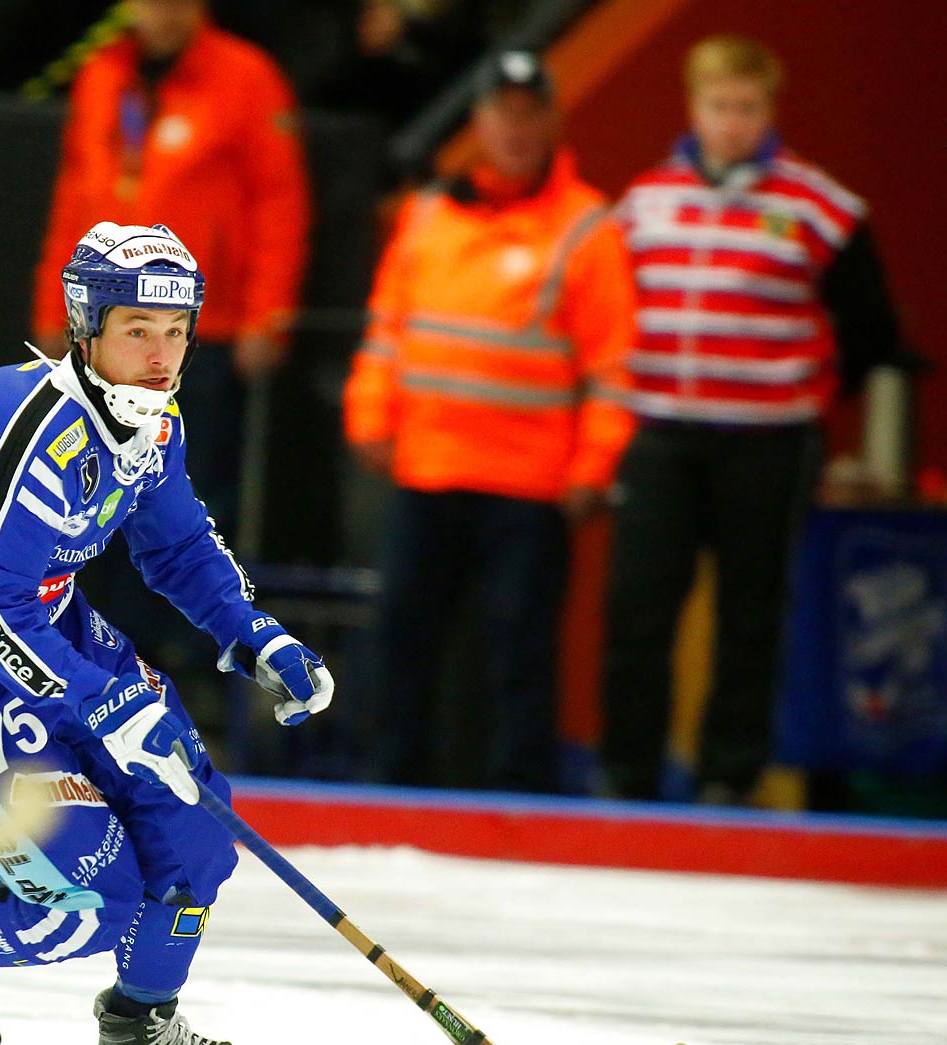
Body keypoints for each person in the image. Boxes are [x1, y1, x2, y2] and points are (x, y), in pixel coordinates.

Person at [0, 223, 334, 1045]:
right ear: (87, 325)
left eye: (177, 331)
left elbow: (178, 545)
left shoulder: (150, 420)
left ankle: (140, 1030)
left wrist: (257, 635)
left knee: (195, 839)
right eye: (138, 328)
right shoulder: (30, 434)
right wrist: (103, 703)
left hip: (59, 644)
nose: (160, 354)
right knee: (83, 905)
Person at [600, 36, 905, 804]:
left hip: (768, 442)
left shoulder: (818, 207)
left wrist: (806, 399)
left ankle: (727, 776)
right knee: (638, 606)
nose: (732, 122)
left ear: (770, 109)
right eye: (718, 106)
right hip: (660, 434)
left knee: (752, 612)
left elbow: (871, 330)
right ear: (693, 108)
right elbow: (606, 315)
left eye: (747, 107)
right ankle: (627, 773)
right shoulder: (645, 203)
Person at [343, 52, 636, 792]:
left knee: (520, 650)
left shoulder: (587, 230)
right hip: (427, 469)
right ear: (476, 122)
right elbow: (388, 331)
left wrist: (593, 467)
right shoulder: (431, 212)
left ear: (551, 122)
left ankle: (521, 799)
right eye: (501, 111)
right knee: (402, 637)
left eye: (529, 111)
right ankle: (393, 786)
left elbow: (613, 369)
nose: (514, 127)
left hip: (529, 485)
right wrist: (371, 414)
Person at [31, 0, 310, 537]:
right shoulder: (101, 73)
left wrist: (269, 314)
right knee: (86, 493)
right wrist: (53, 305)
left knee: (184, 495)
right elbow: (73, 200)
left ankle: (180, 623)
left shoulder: (246, 76)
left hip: (199, 331)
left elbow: (280, 204)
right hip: (101, 328)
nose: (164, 12)